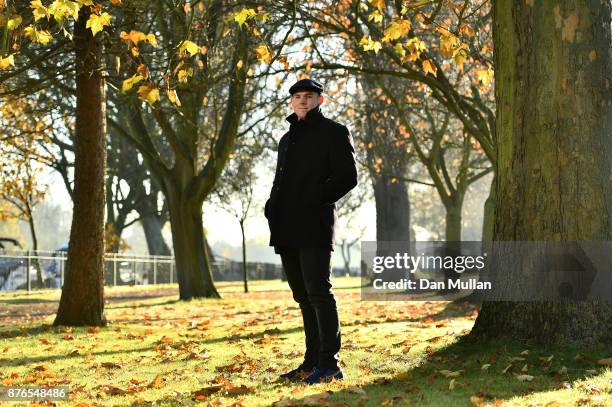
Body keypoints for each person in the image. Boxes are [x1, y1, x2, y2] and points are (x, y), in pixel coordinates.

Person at [264, 78, 358, 384]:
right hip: (286, 226)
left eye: (309, 96)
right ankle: (311, 362)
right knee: (302, 296)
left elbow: (347, 177)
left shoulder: (334, 132)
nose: (303, 101)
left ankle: (329, 364)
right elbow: (282, 180)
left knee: (319, 292)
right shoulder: (286, 139)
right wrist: (271, 205)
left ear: (320, 100)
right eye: (297, 96)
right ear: (291, 102)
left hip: (315, 223)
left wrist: (315, 198)